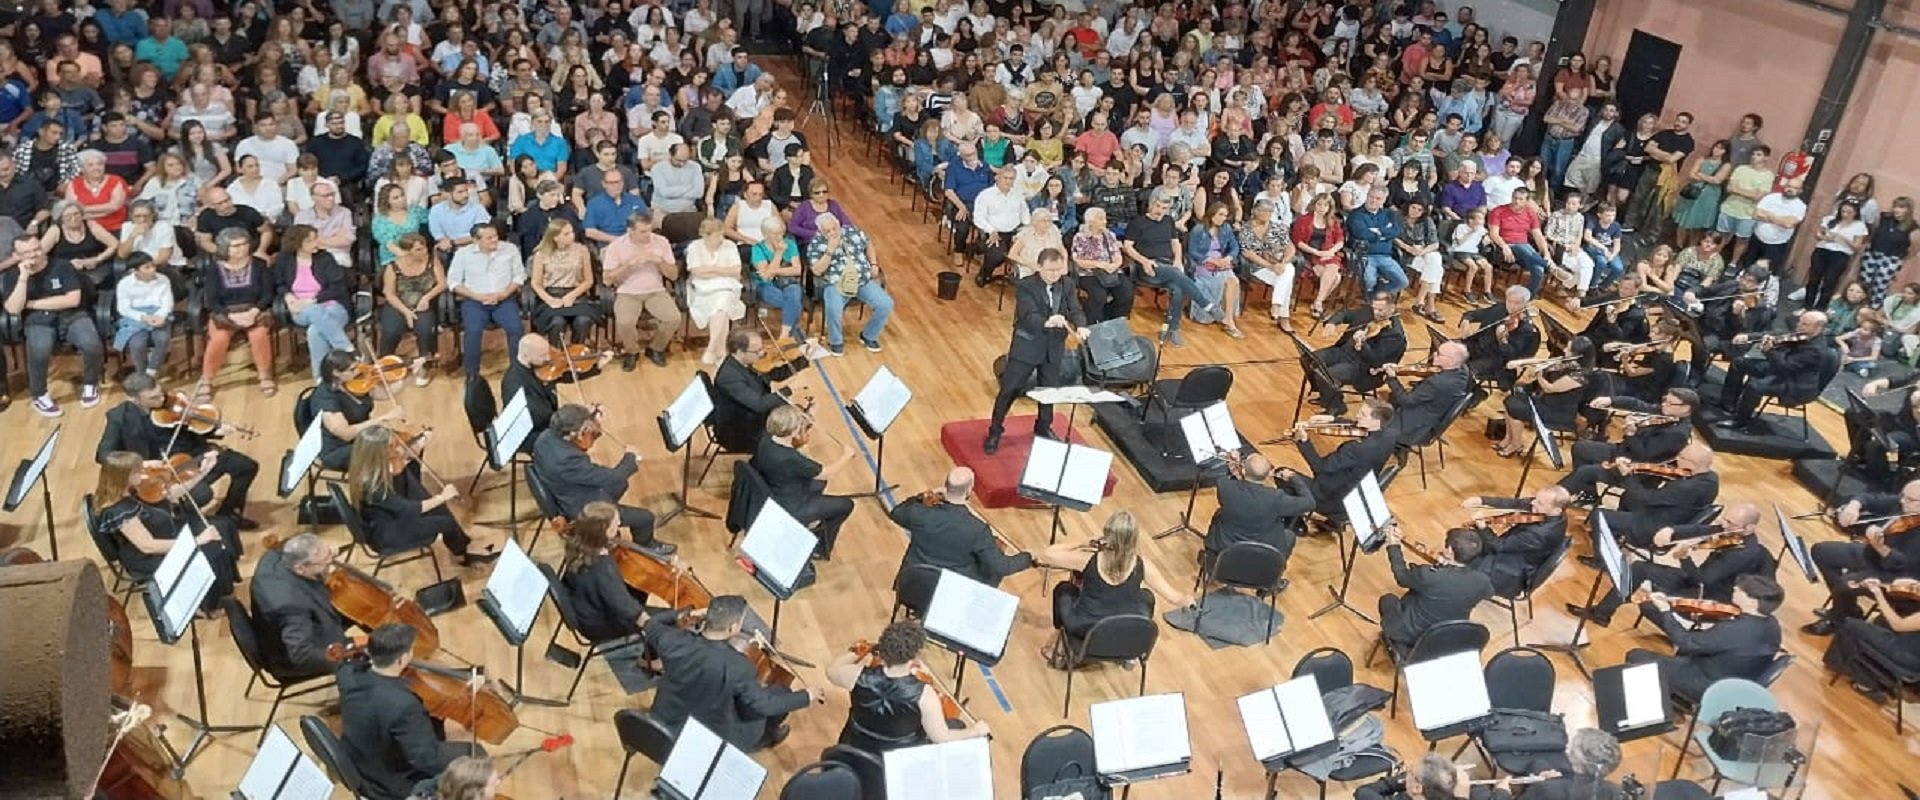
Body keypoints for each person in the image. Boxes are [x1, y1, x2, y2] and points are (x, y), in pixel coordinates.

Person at [640, 595, 823, 751]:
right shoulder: (739, 666)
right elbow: (764, 706)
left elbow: (650, 623)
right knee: (781, 693)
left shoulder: (673, 640)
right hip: (705, 736)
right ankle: (764, 740)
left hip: (664, 720)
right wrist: (807, 695)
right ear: (732, 628)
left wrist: (686, 614)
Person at [96, 373, 260, 527]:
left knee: (246, 466)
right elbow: (103, 455)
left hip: (195, 454)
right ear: (134, 399)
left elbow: (190, 426)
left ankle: (229, 514)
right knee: (202, 494)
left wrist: (215, 430)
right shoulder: (119, 417)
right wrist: (141, 463)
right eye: (153, 398)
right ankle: (182, 525)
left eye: (161, 392)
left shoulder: (172, 402)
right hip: (165, 473)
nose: (161, 399)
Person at [1033, 511, 1194, 667]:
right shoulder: (1142, 565)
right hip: (1123, 626)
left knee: (1064, 589)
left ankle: (1061, 642)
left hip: (1086, 627)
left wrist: (1083, 543)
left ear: (1107, 535)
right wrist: (1189, 600)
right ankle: (1127, 651)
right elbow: (1175, 598)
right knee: (1147, 596)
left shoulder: (1087, 560)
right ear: (1133, 538)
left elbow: (1047, 554)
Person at [94, 449, 241, 614]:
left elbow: (173, 493)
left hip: (167, 530)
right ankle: (211, 604)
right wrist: (197, 541)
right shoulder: (119, 511)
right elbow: (148, 546)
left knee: (224, 524)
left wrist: (203, 471)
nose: (143, 474)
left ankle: (225, 584)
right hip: (149, 555)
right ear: (123, 477)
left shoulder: (136, 488)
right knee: (211, 551)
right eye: (137, 471)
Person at [337, 624, 471, 800]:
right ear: (401, 660)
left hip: (360, 763)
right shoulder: (404, 705)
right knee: (473, 752)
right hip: (390, 783)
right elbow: (426, 760)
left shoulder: (346, 673)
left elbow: (353, 663)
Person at [825, 621, 991, 754]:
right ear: (914, 659)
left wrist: (858, 650)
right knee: (956, 726)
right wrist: (976, 731)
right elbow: (942, 737)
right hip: (897, 760)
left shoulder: (856, 676)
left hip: (854, 748)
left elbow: (831, 670)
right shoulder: (924, 695)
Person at [532, 404, 675, 557]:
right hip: (582, 509)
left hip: (565, 492)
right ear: (576, 434)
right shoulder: (568, 460)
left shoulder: (545, 437)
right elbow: (610, 477)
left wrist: (591, 419)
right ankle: (647, 546)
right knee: (645, 517)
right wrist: (630, 458)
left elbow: (582, 440)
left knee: (621, 484)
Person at [984, 248, 1089, 455]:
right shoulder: (1026, 285)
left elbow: (1075, 308)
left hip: (1054, 347)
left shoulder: (1066, 284)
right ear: (1039, 267)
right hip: (1028, 345)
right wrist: (1048, 321)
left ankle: (1043, 426)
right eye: (1051, 270)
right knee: (1009, 390)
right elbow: (1028, 314)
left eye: (1059, 269)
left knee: (1048, 390)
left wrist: (1081, 325)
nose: (1055, 274)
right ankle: (995, 430)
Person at [1625, 572, 1786, 706]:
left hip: (1708, 684)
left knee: (1636, 656)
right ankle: (1675, 695)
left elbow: (1686, 642)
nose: (1735, 588)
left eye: (1740, 591)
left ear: (1752, 602)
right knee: (1680, 654)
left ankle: (1663, 701)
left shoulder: (1732, 630)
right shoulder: (1772, 624)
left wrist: (1666, 611)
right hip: (1735, 680)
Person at [346, 425, 493, 567]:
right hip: (387, 531)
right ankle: (463, 553)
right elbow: (409, 509)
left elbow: (403, 470)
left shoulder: (373, 467)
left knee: (435, 505)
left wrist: (419, 443)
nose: (397, 449)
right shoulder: (374, 486)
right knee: (445, 521)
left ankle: (465, 546)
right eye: (391, 447)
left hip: (392, 513)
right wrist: (442, 496)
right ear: (377, 453)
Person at [1803, 480, 1920, 636]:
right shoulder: (1902, 504)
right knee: (1822, 551)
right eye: (1903, 495)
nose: (1901, 500)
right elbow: (1871, 498)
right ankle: (1848, 610)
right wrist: (1854, 505)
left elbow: (1904, 566)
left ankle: (1837, 618)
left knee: (1845, 583)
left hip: (1895, 576)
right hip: (1873, 555)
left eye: (1909, 499)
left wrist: (1881, 548)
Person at [4, 235, 103, 416]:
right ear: (17, 255)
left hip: (72, 315)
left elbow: (73, 300)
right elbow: (13, 308)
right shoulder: (13, 274)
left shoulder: (62, 266)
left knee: (91, 344)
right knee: (39, 349)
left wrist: (32, 304)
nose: (34, 255)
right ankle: (39, 395)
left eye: (37, 249)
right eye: (27, 253)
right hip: (38, 320)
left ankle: (90, 384)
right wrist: (23, 278)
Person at [889, 466, 1034, 588]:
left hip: (912, 585)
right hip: (949, 590)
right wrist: (1029, 558)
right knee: (992, 567)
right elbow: (1002, 567)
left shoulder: (920, 513)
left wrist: (921, 497)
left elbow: (896, 513)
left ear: (945, 486)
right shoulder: (977, 529)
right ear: (969, 490)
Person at [754, 405, 858, 560]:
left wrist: (808, 419)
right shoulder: (791, 458)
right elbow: (828, 474)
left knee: (818, 485)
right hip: (790, 506)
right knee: (846, 505)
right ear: (794, 431)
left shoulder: (766, 439)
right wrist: (846, 456)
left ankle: (808, 523)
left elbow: (795, 439)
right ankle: (820, 549)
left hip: (772, 489)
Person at [1714, 310, 1836, 434]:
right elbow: (1778, 334)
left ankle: (1740, 422)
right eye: (1800, 321)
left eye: (1805, 324)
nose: (1799, 325)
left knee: (1755, 386)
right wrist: (1750, 337)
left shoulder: (1816, 350)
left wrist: (1769, 350)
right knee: (1739, 363)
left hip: (1794, 382)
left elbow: (1785, 366)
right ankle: (1728, 404)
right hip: (1780, 369)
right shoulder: (1802, 333)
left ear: (1818, 328)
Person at [249, 532, 351, 680]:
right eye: (325, 561)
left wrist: (327, 554)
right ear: (300, 568)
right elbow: (302, 654)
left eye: (329, 552)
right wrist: (348, 654)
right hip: (293, 656)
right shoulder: (291, 606)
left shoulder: (273, 557)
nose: (331, 562)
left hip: (305, 621)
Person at [1378, 523, 1494, 652]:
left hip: (1412, 634)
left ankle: (1397, 646)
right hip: (1445, 638)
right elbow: (1487, 592)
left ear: (1450, 551)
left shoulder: (1428, 576)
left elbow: (1401, 577)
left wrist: (1393, 546)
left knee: (1388, 599)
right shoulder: (1482, 581)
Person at [1589, 443, 1723, 549]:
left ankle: (1601, 561)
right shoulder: (1711, 479)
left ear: (1693, 464)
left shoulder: (1684, 488)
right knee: (1628, 497)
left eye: (1681, 457)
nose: (1676, 459)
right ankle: (1614, 534)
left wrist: (1628, 476)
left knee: (1598, 514)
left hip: (1655, 526)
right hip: (1674, 516)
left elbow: (1645, 498)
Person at [1201, 454, 1314, 579]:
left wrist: (1233, 469)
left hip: (1226, 548)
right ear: (1267, 476)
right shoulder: (1276, 498)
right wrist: (1294, 477)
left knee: (1219, 514)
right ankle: (1270, 581)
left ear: (1244, 470)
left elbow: (1236, 487)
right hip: (1260, 553)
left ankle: (1211, 565)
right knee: (1290, 536)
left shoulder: (1225, 487)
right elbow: (1310, 502)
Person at [556, 501, 649, 641]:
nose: (619, 524)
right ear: (604, 531)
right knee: (666, 622)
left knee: (640, 590)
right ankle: (650, 661)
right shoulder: (603, 569)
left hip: (586, 608)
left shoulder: (577, 545)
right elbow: (627, 610)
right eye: (615, 523)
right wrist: (653, 624)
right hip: (600, 625)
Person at [602, 209, 683, 370]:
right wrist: (628, 265)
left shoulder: (661, 242)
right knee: (625, 322)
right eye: (643, 232)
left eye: (650, 230)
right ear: (630, 230)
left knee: (673, 318)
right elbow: (607, 279)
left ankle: (656, 348)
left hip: (655, 290)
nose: (648, 235)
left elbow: (673, 276)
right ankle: (632, 351)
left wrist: (659, 261)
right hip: (627, 291)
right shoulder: (616, 246)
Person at [1294, 399, 1399, 519]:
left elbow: (1320, 467)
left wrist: (1303, 442)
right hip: (1355, 496)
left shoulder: (1355, 449)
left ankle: (1296, 521)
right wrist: (1333, 420)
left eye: (1363, 414)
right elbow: (1360, 426)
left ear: (1376, 421)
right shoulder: (1390, 435)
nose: (1357, 415)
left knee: (1283, 474)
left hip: (1332, 499)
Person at [445, 223, 526, 380]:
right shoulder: (463, 254)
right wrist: (476, 296)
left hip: (504, 299)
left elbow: (519, 276)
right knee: (473, 330)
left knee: (515, 327)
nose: (495, 240)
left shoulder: (510, 249)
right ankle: (472, 374)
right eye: (489, 238)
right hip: (475, 301)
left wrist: (504, 294)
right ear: (476, 240)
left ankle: (519, 371)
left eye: (495, 236)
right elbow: (453, 282)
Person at [275, 225, 355, 382]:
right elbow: (279, 283)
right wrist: (288, 297)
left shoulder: (325, 258)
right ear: (297, 244)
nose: (316, 243)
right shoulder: (285, 259)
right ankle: (346, 348)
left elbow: (338, 288)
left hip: (333, 306)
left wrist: (312, 301)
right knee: (313, 312)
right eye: (310, 240)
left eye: (316, 238)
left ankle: (321, 378)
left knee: (314, 331)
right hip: (299, 309)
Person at [1459, 488, 1573, 598]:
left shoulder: (1539, 535)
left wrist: (1483, 528)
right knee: (1464, 540)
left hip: (1509, 570)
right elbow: (1516, 503)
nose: (1533, 503)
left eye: (1540, 503)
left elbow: (1499, 546)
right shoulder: (1553, 512)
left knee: (1461, 551)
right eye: (1536, 499)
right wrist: (1481, 500)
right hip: (1513, 550)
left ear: (1556, 510)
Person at [1122, 195, 1204, 347]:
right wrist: (1144, 261)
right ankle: (1203, 302)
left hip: (1167, 264)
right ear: (1151, 205)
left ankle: (1172, 329)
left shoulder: (1168, 221)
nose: (1160, 211)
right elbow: (1127, 246)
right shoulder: (1138, 222)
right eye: (1158, 206)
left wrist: (1178, 260)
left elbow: (1175, 243)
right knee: (1177, 276)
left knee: (1177, 288)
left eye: (1164, 208)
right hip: (1148, 266)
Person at [1308, 291, 1406, 417]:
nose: (1376, 313)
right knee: (1309, 359)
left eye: (1381, 310)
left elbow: (1376, 360)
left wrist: (1363, 344)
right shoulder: (1369, 313)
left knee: (1326, 375)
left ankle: (1336, 407)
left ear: (1392, 308)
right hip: (1344, 351)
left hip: (1363, 368)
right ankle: (1325, 393)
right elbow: (1344, 313)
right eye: (1374, 308)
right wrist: (1332, 322)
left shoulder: (1395, 334)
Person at [1822, 576, 1920, 702]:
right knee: (1881, 621)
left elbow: (1898, 625)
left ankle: (1866, 683)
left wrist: (1878, 593)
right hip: (1911, 650)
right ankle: (1876, 677)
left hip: (1907, 657)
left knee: (1851, 625)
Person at [807, 214, 894, 356]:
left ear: (838, 224)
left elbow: (868, 243)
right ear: (821, 232)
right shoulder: (816, 244)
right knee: (834, 308)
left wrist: (873, 264)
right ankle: (836, 342)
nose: (832, 233)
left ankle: (868, 336)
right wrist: (830, 250)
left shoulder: (853, 232)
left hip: (861, 281)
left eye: (834, 228)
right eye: (827, 231)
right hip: (835, 284)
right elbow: (817, 270)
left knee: (886, 304)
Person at [712, 329, 806, 454]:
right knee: (792, 420)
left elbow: (773, 375)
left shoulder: (746, 363)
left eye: (762, 347)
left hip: (750, 418)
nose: (762, 353)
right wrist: (789, 390)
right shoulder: (729, 377)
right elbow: (759, 405)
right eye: (757, 351)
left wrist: (804, 359)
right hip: (739, 433)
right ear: (740, 352)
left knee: (796, 413)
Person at [312, 350, 403, 472]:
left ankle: (411, 487)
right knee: (396, 458)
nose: (359, 371)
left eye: (357, 366)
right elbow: (346, 434)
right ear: (336, 373)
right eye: (352, 369)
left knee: (406, 445)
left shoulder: (353, 383)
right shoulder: (326, 399)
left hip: (362, 437)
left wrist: (407, 377)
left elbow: (383, 394)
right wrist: (383, 418)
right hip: (339, 450)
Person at [684, 216, 748, 365]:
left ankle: (712, 348)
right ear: (705, 235)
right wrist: (722, 270)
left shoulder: (730, 246)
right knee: (721, 309)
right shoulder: (694, 247)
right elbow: (696, 272)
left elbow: (736, 271)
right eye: (717, 235)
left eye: (722, 234)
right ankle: (720, 352)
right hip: (702, 288)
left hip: (728, 286)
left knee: (723, 300)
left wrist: (711, 270)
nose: (721, 238)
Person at [1385, 341, 1473, 446]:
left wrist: (1392, 378)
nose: (1434, 354)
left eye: (1439, 354)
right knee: (1392, 398)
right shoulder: (1463, 371)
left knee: (1375, 418)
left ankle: (1389, 446)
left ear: (1451, 361)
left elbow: (1406, 400)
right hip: (1432, 417)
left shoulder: (1437, 383)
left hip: (1415, 427)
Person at [527, 219, 599, 346]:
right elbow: (536, 283)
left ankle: (577, 354)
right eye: (566, 234)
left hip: (576, 295)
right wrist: (550, 300)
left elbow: (588, 280)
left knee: (583, 321)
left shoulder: (582, 250)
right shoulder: (541, 254)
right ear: (555, 238)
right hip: (551, 295)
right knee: (557, 322)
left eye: (571, 232)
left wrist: (571, 296)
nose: (572, 235)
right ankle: (557, 356)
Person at [1458, 286, 1541, 390]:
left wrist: (1501, 339)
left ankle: (1466, 395)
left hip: (1497, 361)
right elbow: (1476, 314)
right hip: (1478, 347)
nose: (1511, 306)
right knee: (1448, 350)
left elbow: (1511, 356)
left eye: (1517, 303)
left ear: (1525, 304)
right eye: (1509, 301)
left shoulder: (1527, 329)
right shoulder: (1500, 308)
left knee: (1464, 370)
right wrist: (1466, 320)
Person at [498, 335, 562, 455]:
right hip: (526, 433)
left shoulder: (536, 366)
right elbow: (535, 415)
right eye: (542, 355)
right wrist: (569, 418)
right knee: (570, 440)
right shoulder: (513, 382)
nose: (548, 358)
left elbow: (563, 372)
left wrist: (596, 367)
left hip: (540, 422)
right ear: (526, 355)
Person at [1354, 753, 1507, 800]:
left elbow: (1363, 791)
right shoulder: (1475, 794)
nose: (1407, 771)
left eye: (1410, 771)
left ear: (1417, 787)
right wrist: (1502, 792)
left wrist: (1398, 782)